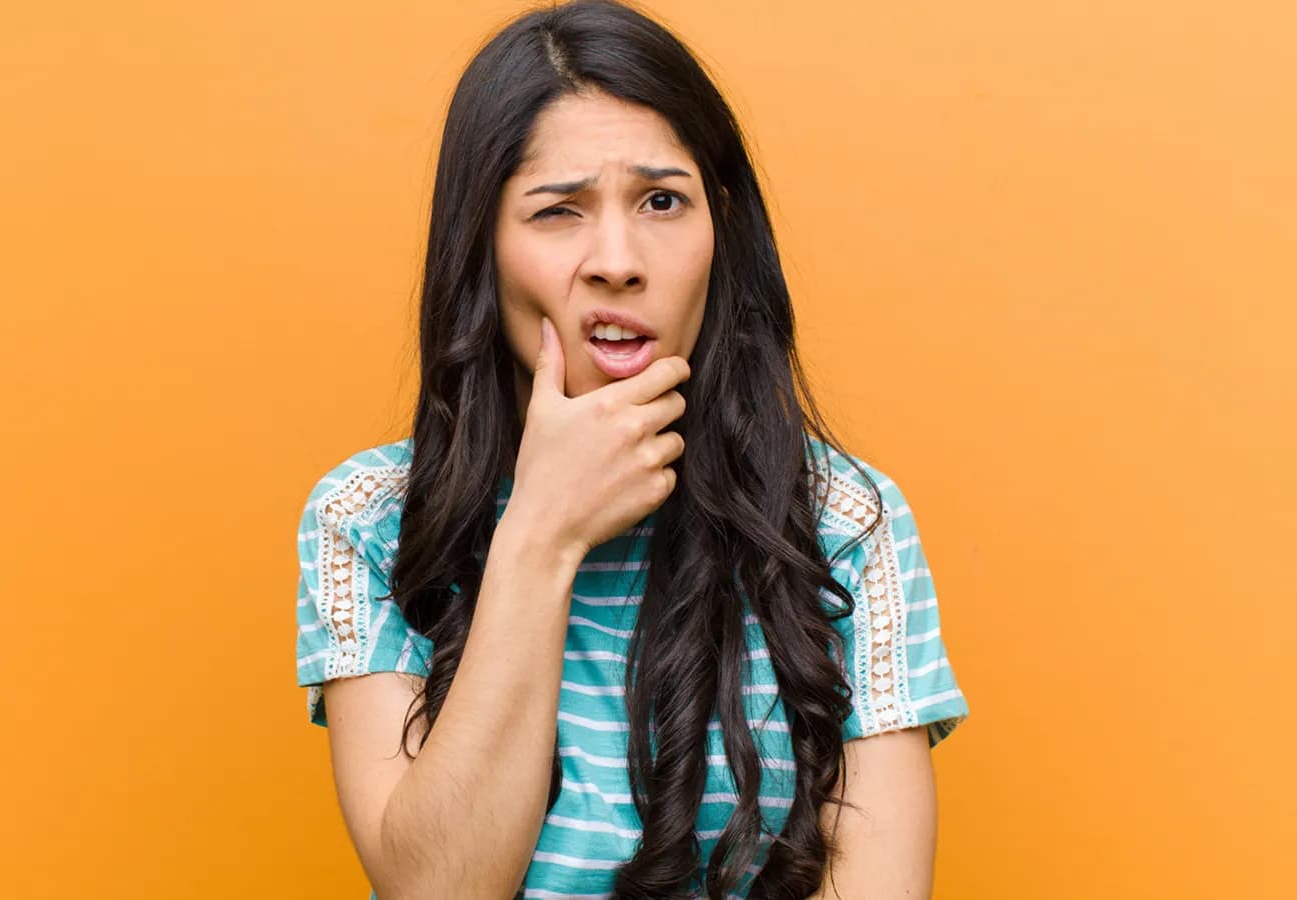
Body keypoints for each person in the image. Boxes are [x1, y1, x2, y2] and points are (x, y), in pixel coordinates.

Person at [293, 1, 969, 897]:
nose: (618, 260)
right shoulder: (370, 521)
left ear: (721, 233)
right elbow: (435, 889)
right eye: (558, 210)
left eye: (662, 201)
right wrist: (542, 533)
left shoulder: (844, 523)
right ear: (481, 248)